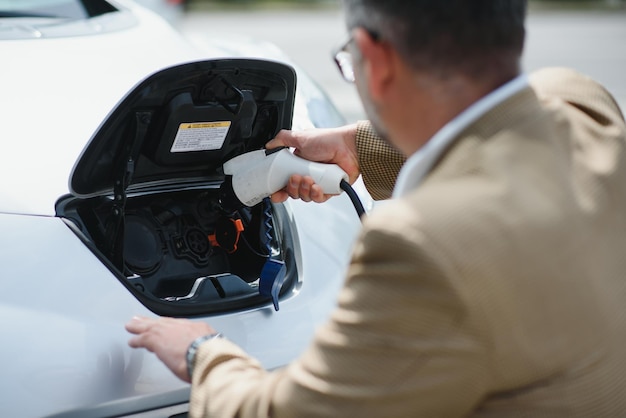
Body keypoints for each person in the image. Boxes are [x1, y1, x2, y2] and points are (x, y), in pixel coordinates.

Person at [126, 0, 626, 416]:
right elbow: (508, 121)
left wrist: (201, 352)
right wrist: (359, 146)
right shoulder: (583, 102)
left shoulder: (424, 246)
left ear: (374, 58)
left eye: (349, 63)